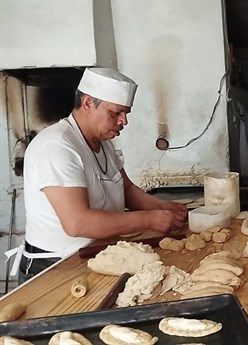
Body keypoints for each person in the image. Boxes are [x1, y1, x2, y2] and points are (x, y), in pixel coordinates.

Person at [5, 68, 187, 284]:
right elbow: (77, 223)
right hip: (55, 267)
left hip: (95, 255)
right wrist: (150, 219)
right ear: (88, 103)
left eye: (126, 113)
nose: (124, 121)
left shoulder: (102, 143)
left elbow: (126, 189)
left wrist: (161, 208)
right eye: (116, 113)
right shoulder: (57, 146)